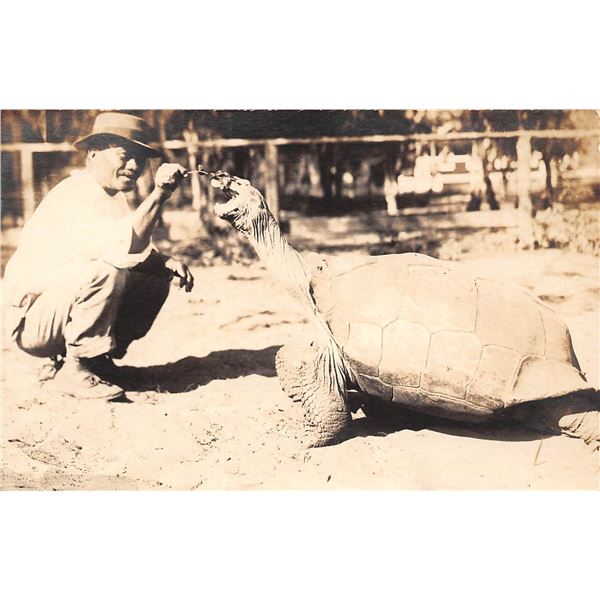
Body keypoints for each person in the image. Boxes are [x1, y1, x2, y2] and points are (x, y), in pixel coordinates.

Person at [3, 111, 194, 402]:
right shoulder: (74, 195)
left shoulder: (111, 197)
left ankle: (97, 362)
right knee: (106, 272)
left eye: (140, 159)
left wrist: (164, 262)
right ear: (93, 153)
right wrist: (159, 194)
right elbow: (121, 250)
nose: (134, 165)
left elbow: (131, 249)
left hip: (58, 308)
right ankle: (75, 369)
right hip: (32, 323)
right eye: (124, 154)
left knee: (154, 276)